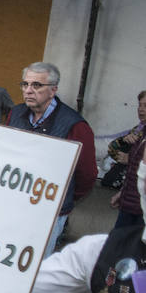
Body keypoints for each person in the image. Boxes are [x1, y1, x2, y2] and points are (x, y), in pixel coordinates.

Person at [8, 62, 96, 249]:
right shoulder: (15, 113)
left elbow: (86, 174)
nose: (29, 90)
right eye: (25, 84)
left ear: (53, 90)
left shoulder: (75, 125)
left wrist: (65, 197)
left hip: (50, 210)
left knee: (37, 263)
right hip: (14, 202)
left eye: (37, 85)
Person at [109, 90, 146, 229]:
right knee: (119, 245)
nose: (141, 110)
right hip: (130, 201)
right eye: (140, 105)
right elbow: (113, 150)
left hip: (140, 207)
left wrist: (129, 158)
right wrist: (122, 192)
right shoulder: (139, 132)